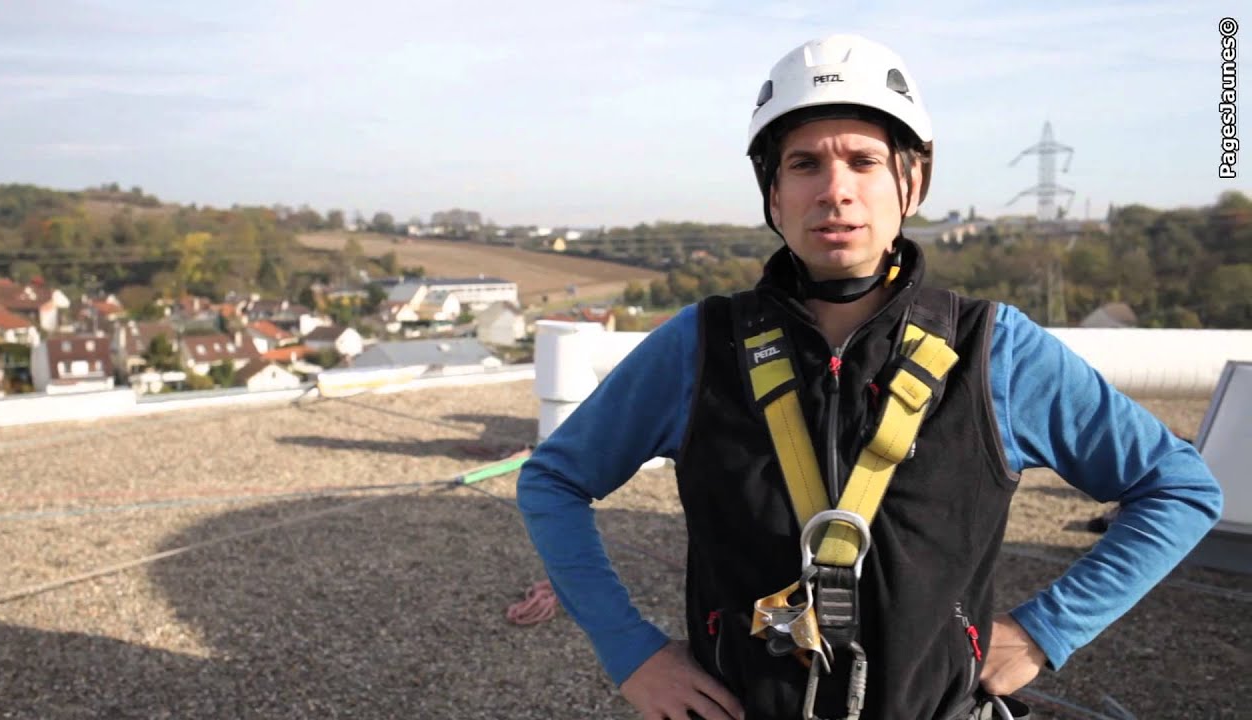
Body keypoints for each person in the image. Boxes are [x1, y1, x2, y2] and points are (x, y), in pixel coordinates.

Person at [517, 34, 1223, 720]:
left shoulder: (992, 351)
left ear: (910, 182)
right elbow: (554, 480)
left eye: (863, 160)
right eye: (803, 165)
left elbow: (1180, 488)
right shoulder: (702, 346)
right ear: (772, 194)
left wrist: (1045, 631)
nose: (835, 192)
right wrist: (631, 652)